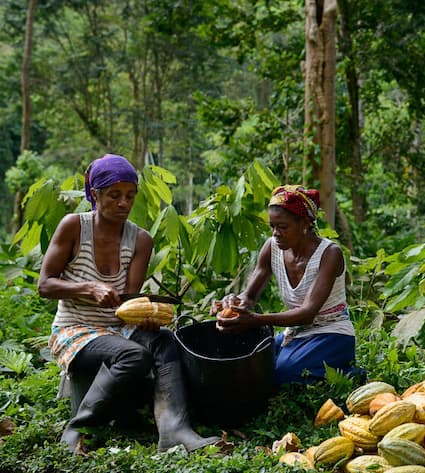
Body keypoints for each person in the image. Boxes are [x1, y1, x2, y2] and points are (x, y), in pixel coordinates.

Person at [38, 154, 220, 454]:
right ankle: (77, 428)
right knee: (134, 356)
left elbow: (128, 303)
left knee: (163, 340)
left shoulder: (140, 240)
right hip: (75, 330)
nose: (124, 203)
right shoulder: (73, 226)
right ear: (95, 195)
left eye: (130, 196)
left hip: (117, 330)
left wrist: (144, 317)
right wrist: (88, 288)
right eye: (114, 195)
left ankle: (174, 429)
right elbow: (45, 285)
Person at [214, 185, 359, 385]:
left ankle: (351, 373)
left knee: (282, 374)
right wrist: (231, 304)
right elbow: (249, 297)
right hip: (296, 332)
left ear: (305, 223)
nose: (276, 233)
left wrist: (256, 320)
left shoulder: (329, 254)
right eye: (272, 226)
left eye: (283, 227)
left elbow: (308, 313)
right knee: (253, 364)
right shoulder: (272, 247)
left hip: (331, 332)